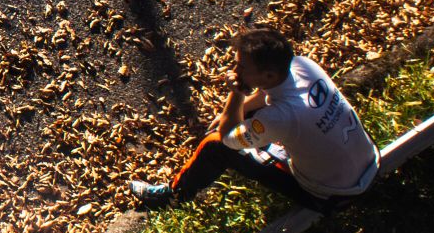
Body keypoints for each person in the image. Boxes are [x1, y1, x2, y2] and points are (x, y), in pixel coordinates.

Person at [130, 27, 379, 211]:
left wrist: (236, 95)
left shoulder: (281, 118)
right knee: (248, 120)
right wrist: (241, 107)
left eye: (241, 67)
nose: (234, 71)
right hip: (368, 161)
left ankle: (172, 198)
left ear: (269, 74)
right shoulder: (303, 65)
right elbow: (266, 94)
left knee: (213, 146)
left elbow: (228, 138)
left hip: (332, 194)